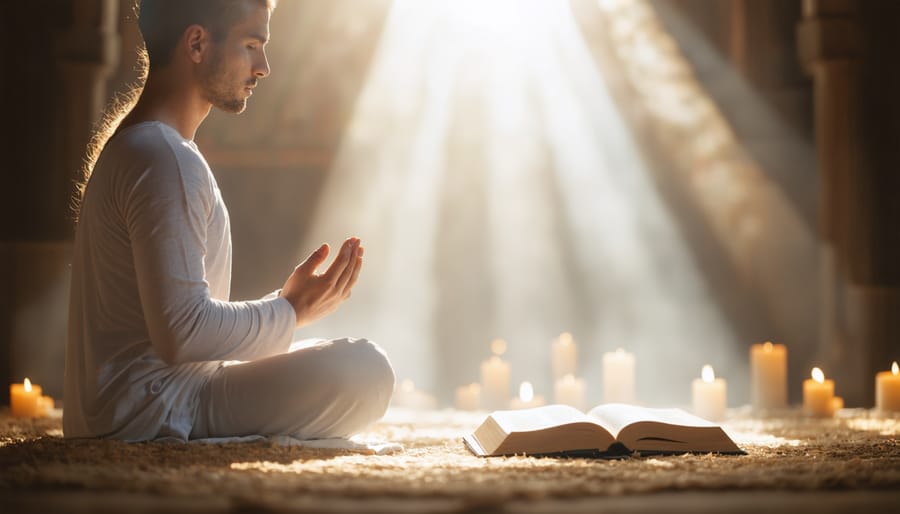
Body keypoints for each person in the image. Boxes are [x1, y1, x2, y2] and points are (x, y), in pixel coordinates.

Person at [64, 0, 394, 441]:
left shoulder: (145, 147)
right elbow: (183, 333)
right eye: (252, 44)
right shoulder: (163, 158)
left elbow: (176, 329)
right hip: (157, 410)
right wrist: (291, 310)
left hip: (133, 406)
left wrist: (285, 309)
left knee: (335, 356)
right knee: (366, 369)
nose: (264, 67)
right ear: (197, 44)